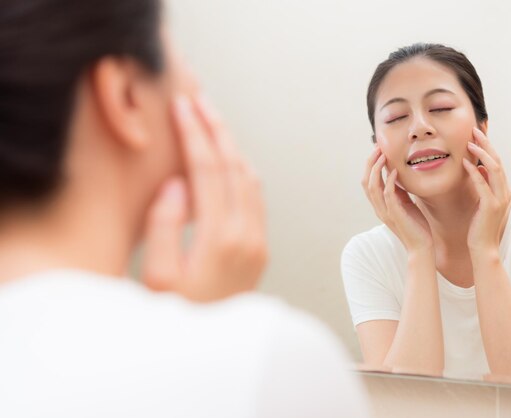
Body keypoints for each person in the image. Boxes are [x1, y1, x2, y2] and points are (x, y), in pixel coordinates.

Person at [0, 1, 370, 417]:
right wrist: (220, 347)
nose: (197, 88)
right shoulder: (278, 364)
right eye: (185, 63)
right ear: (125, 97)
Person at [341, 43, 511, 381]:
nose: (419, 127)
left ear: (482, 126)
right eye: (396, 117)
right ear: (378, 148)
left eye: (440, 108)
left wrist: (484, 250)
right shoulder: (367, 255)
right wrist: (419, 253)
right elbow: (406, 405)